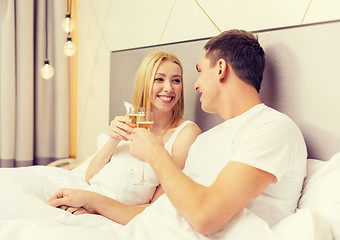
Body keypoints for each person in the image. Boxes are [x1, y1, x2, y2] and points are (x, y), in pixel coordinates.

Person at [48, 29, 307, 237]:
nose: (194, 85)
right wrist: (91, 203)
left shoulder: (272, 128)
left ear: (220, 68)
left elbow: (205, 217)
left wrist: (156, 154)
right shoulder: (207, 141)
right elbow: (157, 214)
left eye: (198, 71)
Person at [48, 51, 201, 224]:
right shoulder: (133, 121)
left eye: (176, 80)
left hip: (106, 215)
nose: (168, 88)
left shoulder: (186, 134)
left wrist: (92, 204)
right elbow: (90, 177)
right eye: (159, 79)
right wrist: (113, 139)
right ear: (144, 83)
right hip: (85, 205)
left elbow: (155, 208)